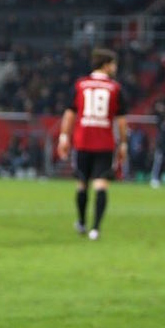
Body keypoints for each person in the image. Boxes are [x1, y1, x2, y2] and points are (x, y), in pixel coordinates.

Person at [57, 48, 127, 241]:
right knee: (101, 184)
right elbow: (121, 121)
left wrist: (64, 137)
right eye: (113, 64)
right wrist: (123, 144)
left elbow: (70, 113)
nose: (115, 68)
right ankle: (95, 229)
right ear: (106, 65)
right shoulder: (115, 88)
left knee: (82, 184)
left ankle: (81, 222)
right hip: (104, 143)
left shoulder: (80, 85)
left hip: (82, 141)